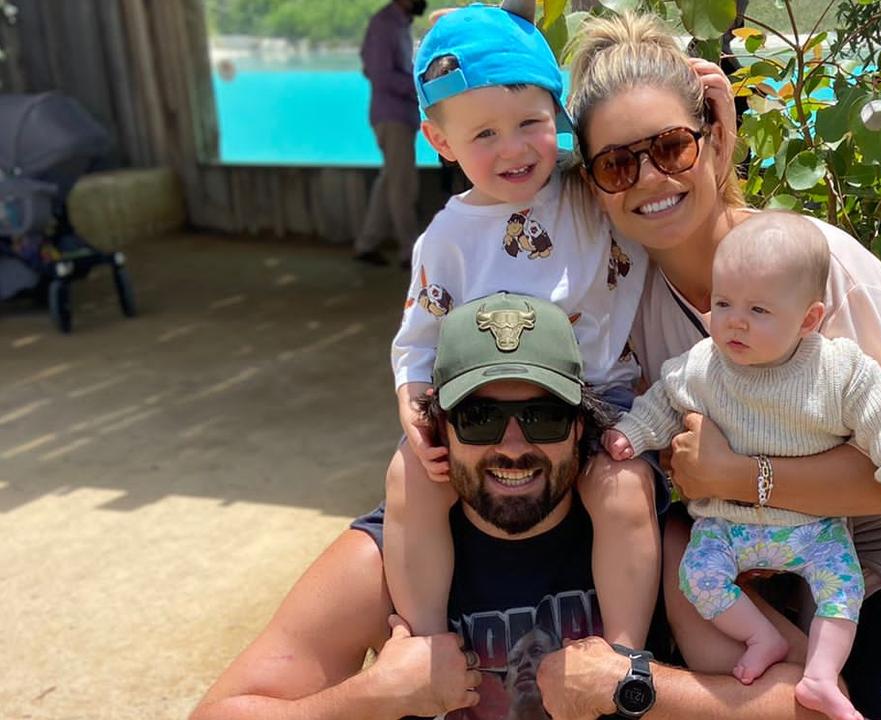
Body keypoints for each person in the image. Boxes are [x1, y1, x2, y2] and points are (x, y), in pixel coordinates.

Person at [565, 12, 881, 720]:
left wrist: (737, 477)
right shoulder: (632, 309)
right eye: (617, 164)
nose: (649, 177)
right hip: (780, 538)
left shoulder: (814, 265)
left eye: (672, 146)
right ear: (593, 184)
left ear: (711, 143)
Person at [190, 292, 840, 720]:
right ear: (436, 429)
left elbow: (810, 705)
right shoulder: (384, 559)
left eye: (541, 415)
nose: (512, 445)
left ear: (581, 426)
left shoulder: (648, 546)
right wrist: (376, 695)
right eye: (478, 417)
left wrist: (634, 685)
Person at [384, 1, 660, 653]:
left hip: (601, 400)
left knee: (624, 491)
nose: (512, 149)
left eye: (530, 123)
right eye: (483, 135)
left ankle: (624, 652)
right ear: (440, 141)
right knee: (410, 480)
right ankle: (425, 646)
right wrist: (414, 416)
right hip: (488, 414)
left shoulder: (589, 190)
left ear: (559, 117)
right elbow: (417, 349)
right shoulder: (446, 240)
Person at [603, 212, 881, 720]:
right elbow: (663, 402)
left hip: (813, 527)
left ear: (808, 319)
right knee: (698, 577)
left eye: (758, 309)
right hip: (728, 527)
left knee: (842, 590)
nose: (735, 321)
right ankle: (760, 637)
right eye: (723, 303)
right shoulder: (704, 365)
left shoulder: (837, 370)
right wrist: (631, 433)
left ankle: (821, 676)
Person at [354, 0, 427, 268]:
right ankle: (410, 251)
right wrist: (421, 85)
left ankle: (367, 243)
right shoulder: (385, 24)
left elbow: (369, 66)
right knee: (402, 185)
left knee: (390, 181)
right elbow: (380, 75)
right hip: (392, 116)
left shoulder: (397, 24)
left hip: (397, 115)